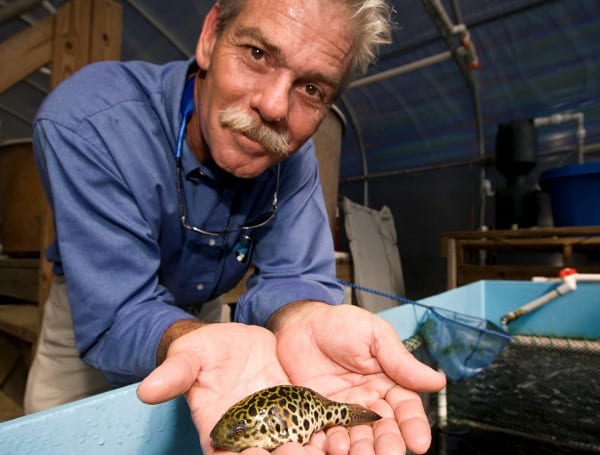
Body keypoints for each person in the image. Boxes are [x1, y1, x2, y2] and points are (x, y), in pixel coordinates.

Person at [26, 0, 446, 453]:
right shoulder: (88, 121)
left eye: (310, 88)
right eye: (258, 54)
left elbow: (293, 276)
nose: (273, 106)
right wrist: (194, 339)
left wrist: (303, 315)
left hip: (204, 319)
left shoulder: (295, 157)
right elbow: (117, 308)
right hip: (91, 314)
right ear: (210, 37)